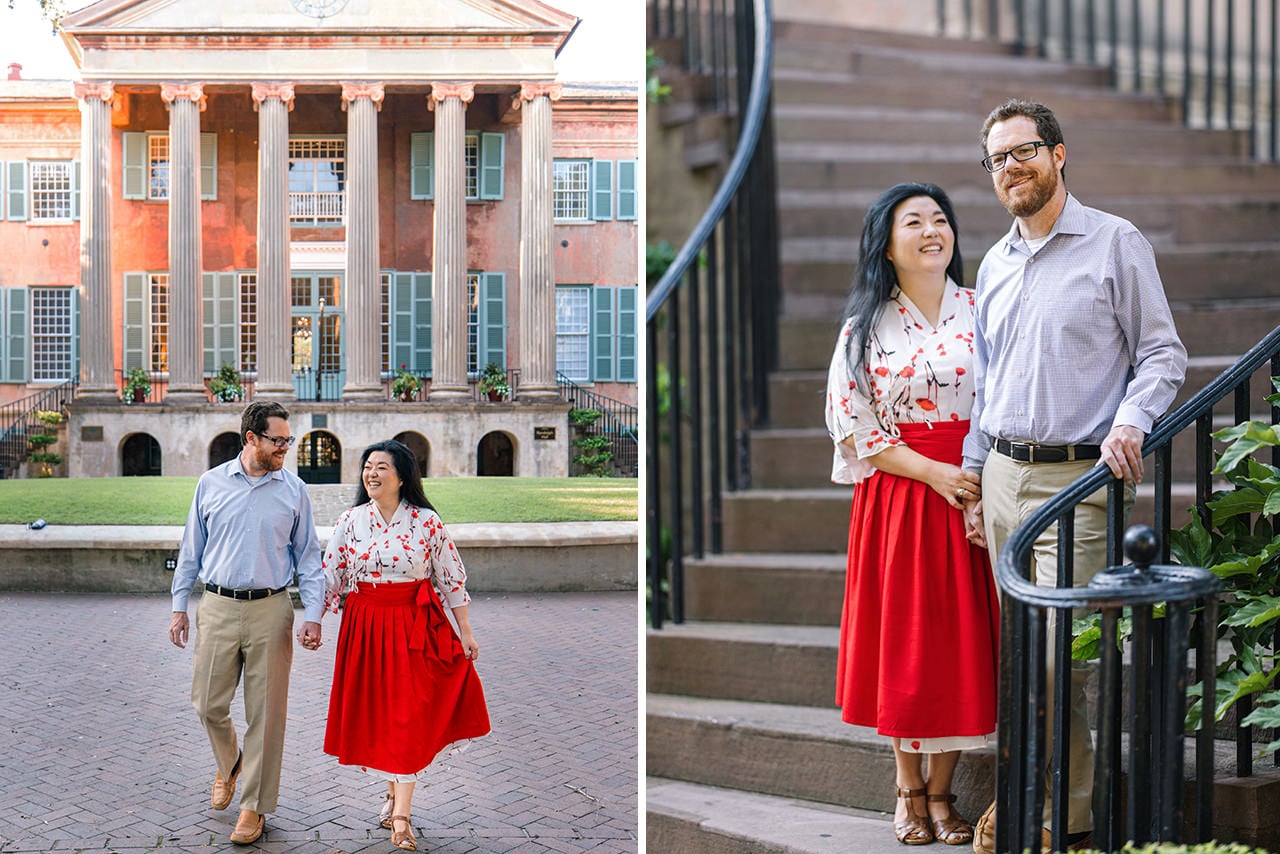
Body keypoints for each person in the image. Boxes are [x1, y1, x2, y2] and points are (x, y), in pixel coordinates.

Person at [961, 99, 1188, 854]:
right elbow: (986, 382)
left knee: (1063, 657)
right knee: (1020, 653)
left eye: (1023, 151)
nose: (1009, 168)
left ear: (1059, 155)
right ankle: (1028, 793)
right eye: (996, 159)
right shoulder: (994, 263)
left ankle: (1072, 815)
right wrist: (971, 470)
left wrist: (1132, 420)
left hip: (1077, 484)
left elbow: (1161, 353)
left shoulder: (1114, 243)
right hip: (1001, 476)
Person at [824, 182, 1000, 847]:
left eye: (940, 220)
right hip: (902, 493)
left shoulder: (982, 310)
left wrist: (974, 476)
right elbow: (853, 426)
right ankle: (906, 787)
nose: (932, 231)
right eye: (914, 222)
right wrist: (934, 473)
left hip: (975, 487)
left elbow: (1006, 396)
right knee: (906, 642)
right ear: (886, 243)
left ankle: (943, 791)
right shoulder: (863, 328)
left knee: (956, 644)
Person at [168, 400, 325, 846]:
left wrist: (312, 615)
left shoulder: (294, 490)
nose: (285, 448)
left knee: (267, 715)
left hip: (271, 609)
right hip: (216, 606)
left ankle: (253, 807)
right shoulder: (210, 484)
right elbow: (191, 550)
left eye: (288, 440)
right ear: (251, 438)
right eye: (278, 440)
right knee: (206, 703)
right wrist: (179, 605)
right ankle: (232, 762)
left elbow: (309, 560)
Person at [321, 439, 491, 852]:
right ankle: (393, 792)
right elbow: (330, 577)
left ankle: (401, 815)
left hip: (415, 626)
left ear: (402, 476)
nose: (372, 474)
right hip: (364, 626)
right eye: (368, 467)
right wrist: (312, 622)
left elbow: (451, 579)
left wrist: (465, 632)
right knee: (382, 712)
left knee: (408, 715)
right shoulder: (350, 521)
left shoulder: (426, 522)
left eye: (381, 467)